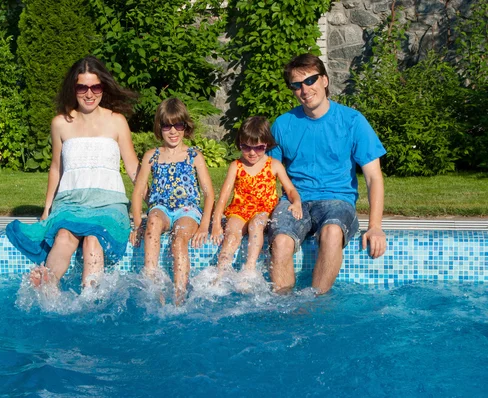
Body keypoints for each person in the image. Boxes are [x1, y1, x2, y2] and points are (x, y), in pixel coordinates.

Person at [6, 55, 140, 290]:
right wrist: (47, 209)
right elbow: (56, 168)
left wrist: (151, 204)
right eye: (82, 87)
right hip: (70, 202)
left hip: (108, 205)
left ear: (103, 87)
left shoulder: (117, 121)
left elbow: (133, 168)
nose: (89, 94)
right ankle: (48, 283)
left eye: (95, 86)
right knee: (63, 236)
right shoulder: (60, 123)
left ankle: (90, 296)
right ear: (74, 88)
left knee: (92, 240)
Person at [268, 53, 387, 295]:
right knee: (280, 241)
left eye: (310, 80)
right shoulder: (283, 124)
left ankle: (316, 304)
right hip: (294, 201)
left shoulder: (352, 121)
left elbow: (374, 177)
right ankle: (283, 308)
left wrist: (375, 226)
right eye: (296, 85)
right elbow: (269, 175)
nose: (305, 89)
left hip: (336, 199)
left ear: (324, 80)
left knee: (332, 232)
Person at [130, 97, 214, 305]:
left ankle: (179, 295)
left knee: (179, 240)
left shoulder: (194, 156)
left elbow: (209, 194)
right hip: (161, 208)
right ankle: (153, 283)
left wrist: (204, 225)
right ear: (160, 128)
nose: (173, 131)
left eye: (178, 125)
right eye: (167, 126)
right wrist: (138, 225)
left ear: (186, 127)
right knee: (153, 221)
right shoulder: (153, 156)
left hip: (188, 210)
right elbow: (138, 191)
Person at [211, 116, 302, 281]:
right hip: (239, 210)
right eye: (245, 147)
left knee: (256, 224)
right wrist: (217, 223)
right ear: (240, 143)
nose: (252, 153)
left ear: (266, 144)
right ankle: (220, 274)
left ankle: (249, 269)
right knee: (232, 233)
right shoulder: (236, 166)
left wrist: (296, 202)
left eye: (258, 148)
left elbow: (290, 189)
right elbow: (223, 197)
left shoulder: (274, 165)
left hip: (263, 211)